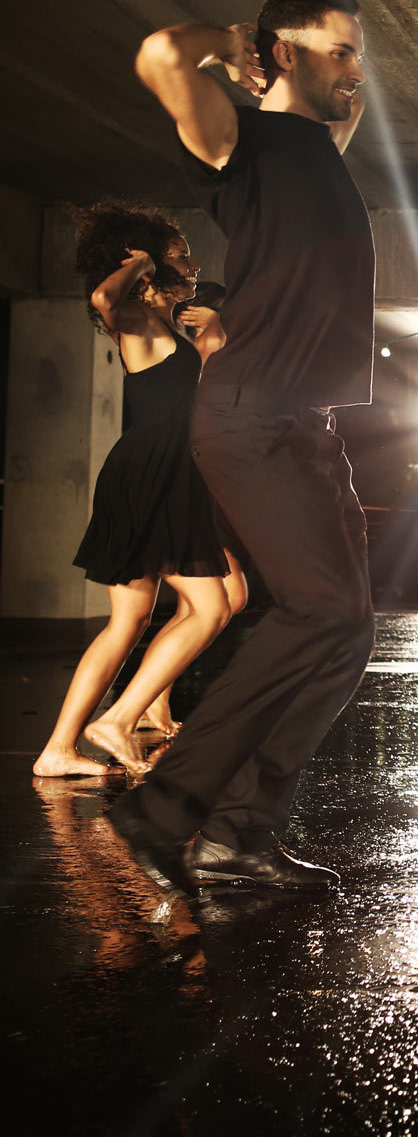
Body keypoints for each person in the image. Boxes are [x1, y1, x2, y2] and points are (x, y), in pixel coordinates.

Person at [106, 0, 376, 898]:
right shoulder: (241, 142)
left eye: (359, 53)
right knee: (318, 611)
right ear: (287, 52)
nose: (357, 71)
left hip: (307, 421)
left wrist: (323, 77)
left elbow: (346, 110)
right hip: (252, 411)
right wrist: (230, 44)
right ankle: (166, 807)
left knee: (346, 630)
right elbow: (158, 55)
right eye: (341, 50)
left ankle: (239, 835)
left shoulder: (318, 148)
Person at [31, 205, 247, 778]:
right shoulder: (132, 317)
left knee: (131, 620)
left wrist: (213, 333)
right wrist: (144, 262)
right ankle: (118, 719)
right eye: (182, 255)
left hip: (166, 473)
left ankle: (60, 748)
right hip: (151, 474)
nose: (193, 264)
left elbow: (205, 397)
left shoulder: (164, 325)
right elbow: (103, 298)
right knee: (211, 606)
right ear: (146, 262)